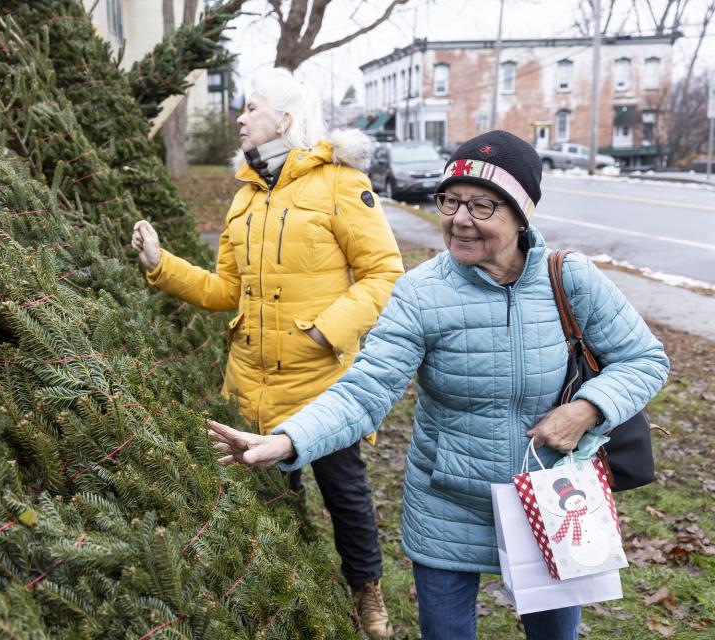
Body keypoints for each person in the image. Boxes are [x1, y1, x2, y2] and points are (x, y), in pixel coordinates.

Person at [207, 130, 670, 640]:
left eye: (482, 205)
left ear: (521, 215)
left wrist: (586, 409)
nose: (459, 219)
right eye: (450, 201)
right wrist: (288, 439)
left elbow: (644, 359)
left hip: (553, 497)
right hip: (448, 505)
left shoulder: (570, 277)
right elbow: (365, 390)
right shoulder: (420, 294)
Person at [132, 68, 404, 639]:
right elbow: (224, 292)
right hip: (250, 382)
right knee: (266, 498)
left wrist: (327, 331)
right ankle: (286, 587)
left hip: (320, 385)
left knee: (346, 496)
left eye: (250, 107)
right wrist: (162, 266)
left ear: (283, 118)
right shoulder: (245, 198)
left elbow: (384, 272)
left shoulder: (338, 183)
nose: (239, 117)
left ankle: (367, 593)